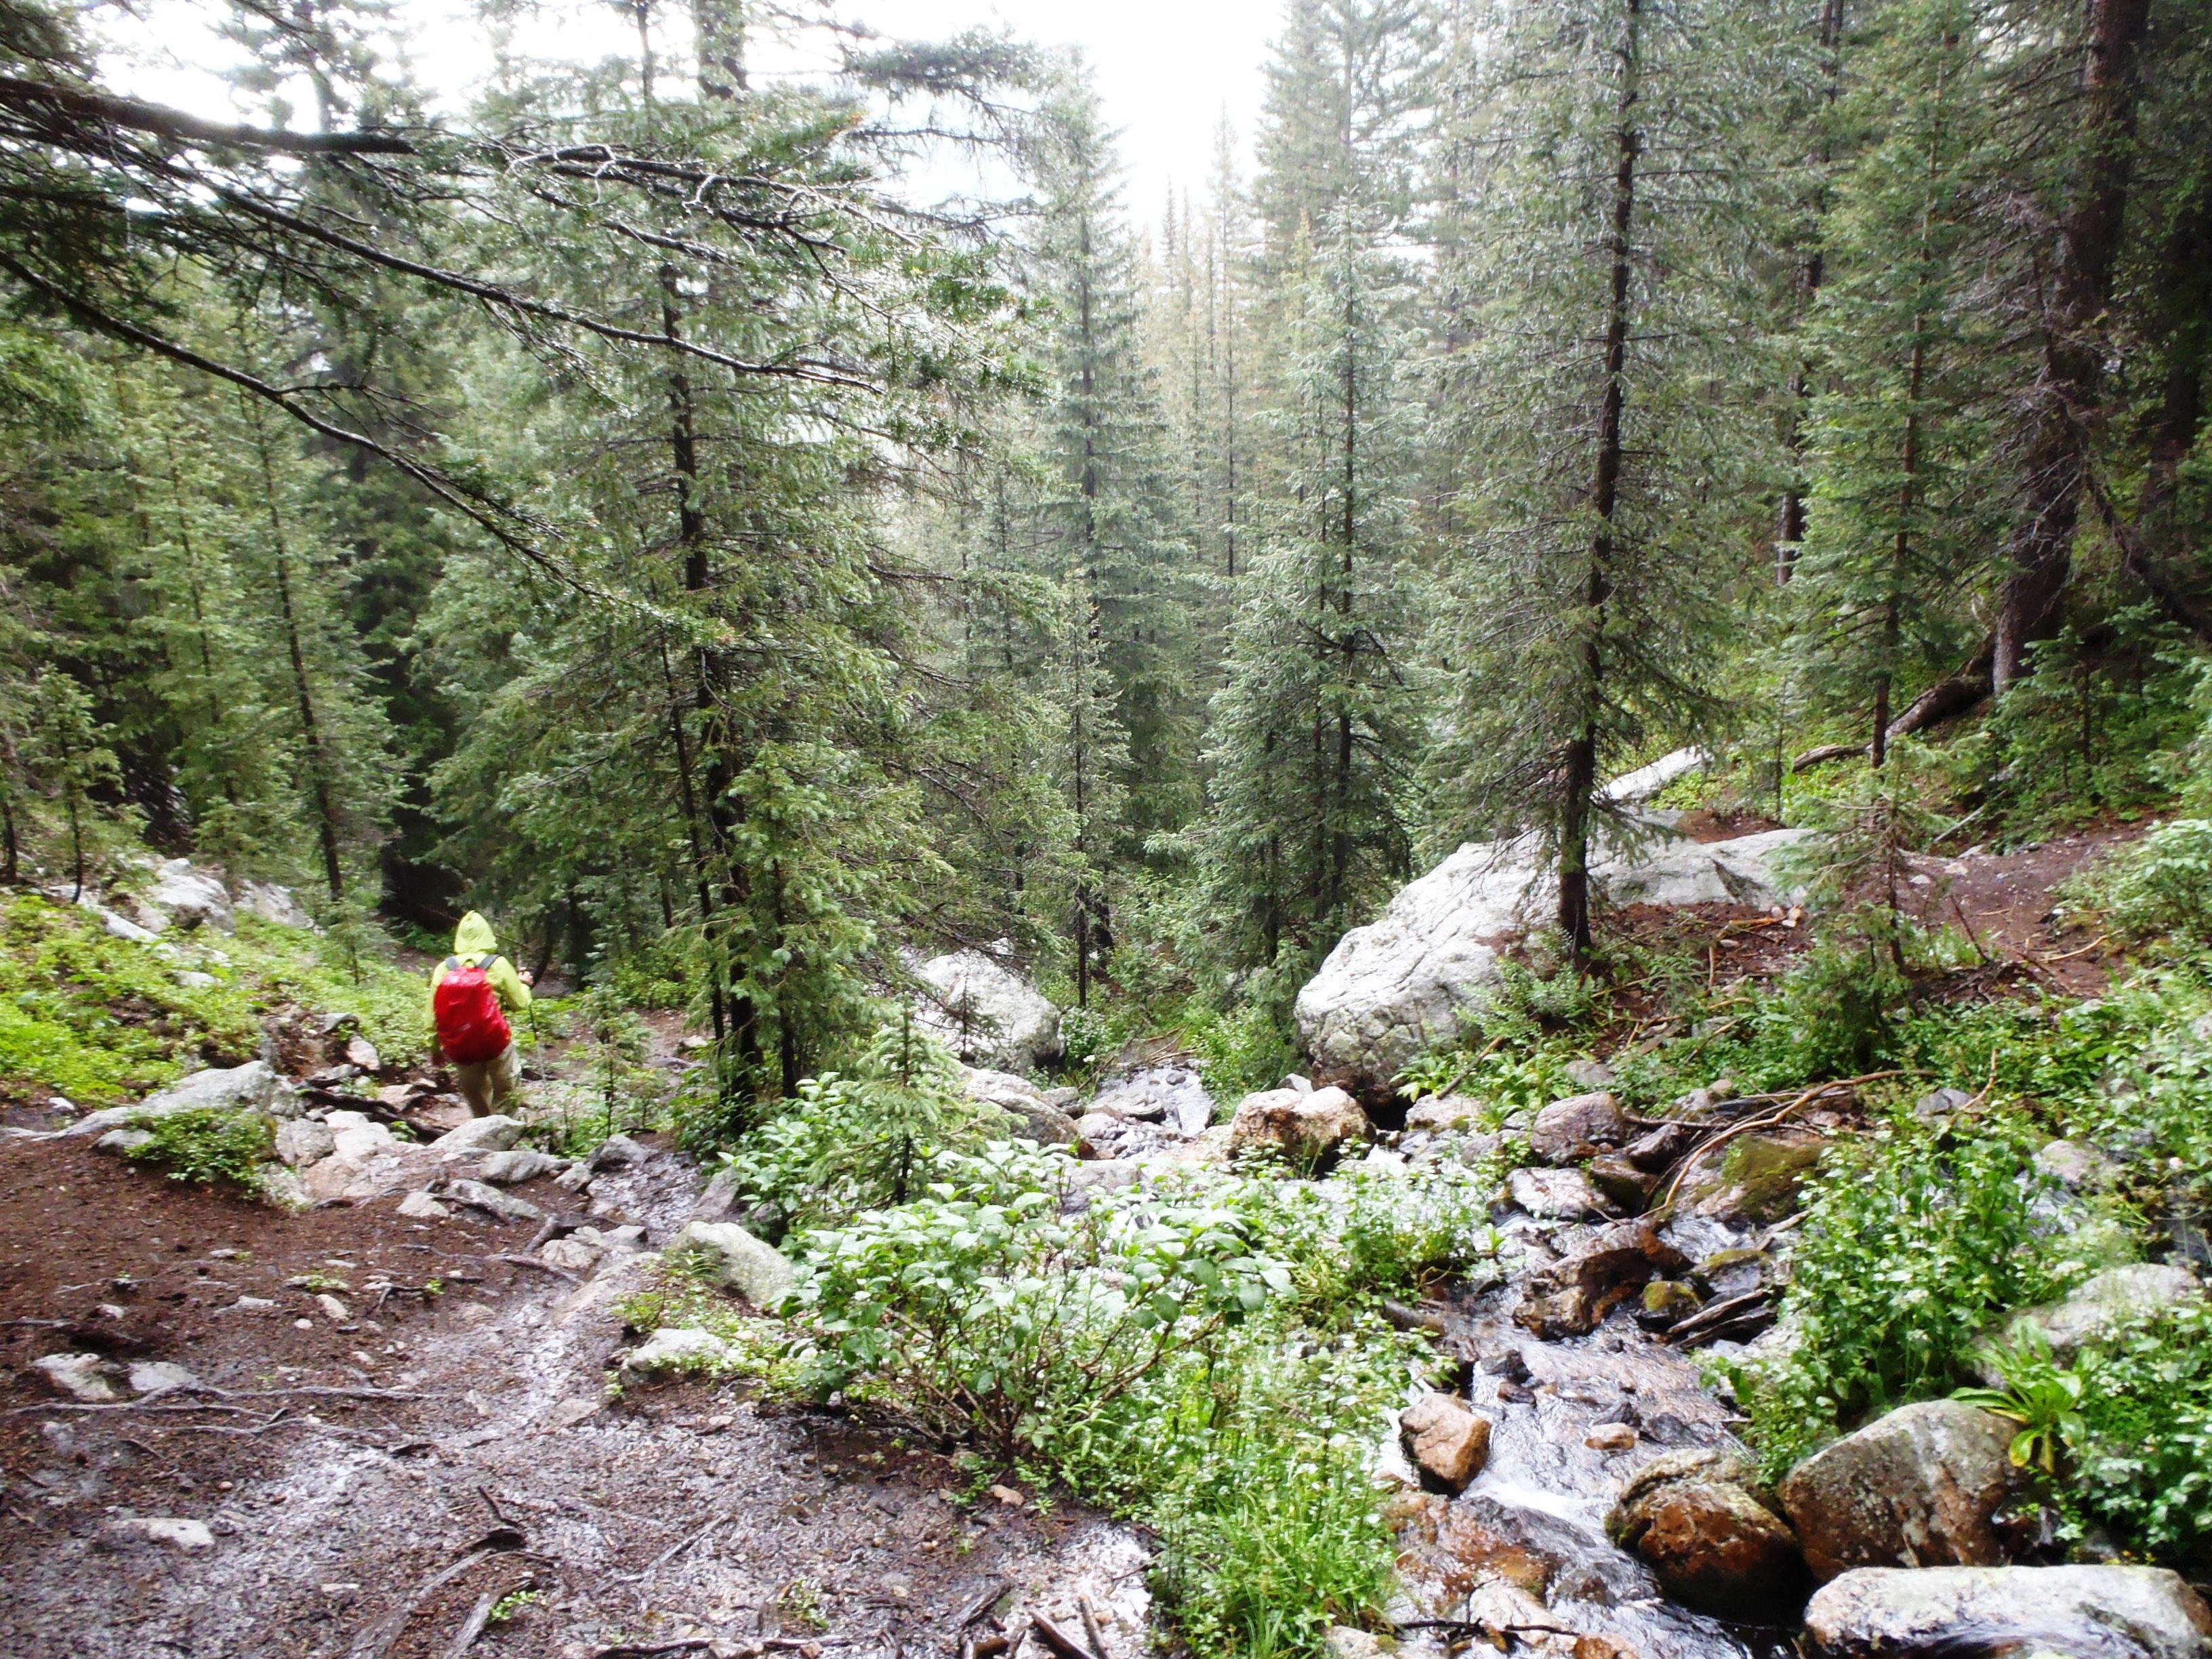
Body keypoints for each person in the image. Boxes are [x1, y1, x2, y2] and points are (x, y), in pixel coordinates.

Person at [430, 911, 535, 1116]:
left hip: (461, 1046)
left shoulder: (444, 968)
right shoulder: (498, 964)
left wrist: (434, 1047)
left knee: (476, 1095)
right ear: (488, 934)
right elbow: (520, 1004)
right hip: (495, 1041)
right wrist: (524, 985)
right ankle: (503, 1132)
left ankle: (481, 1132)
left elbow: (433, 1013)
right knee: (506, 1091)